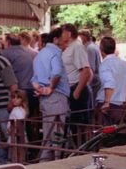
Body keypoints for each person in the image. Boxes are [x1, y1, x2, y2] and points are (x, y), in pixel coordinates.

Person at [32, 28, 70, 161]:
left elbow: (34, 79)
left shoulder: (40, 54)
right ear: (55, 40)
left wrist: (40, 89)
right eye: (64, 42)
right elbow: (57, 72)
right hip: (57, 97)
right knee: (57, 132)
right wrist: (51, 88)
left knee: (48, 132)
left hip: (45, 99)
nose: (66, 45)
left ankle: (45, 161)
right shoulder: (54, 53)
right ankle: (57, 161)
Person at [97, 37, 126, 125]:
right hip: (120, 105)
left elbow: (110, 83)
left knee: (103, 134)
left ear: (101, 49)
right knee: (116, 132)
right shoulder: (125, 64)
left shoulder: (104, 65)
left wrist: (107, 102)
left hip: (106, 105)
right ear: (114, 48)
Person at [60, 24, 93, 140]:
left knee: (78, 124)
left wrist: (77, 91)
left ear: (69, 34)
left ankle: (82, 149)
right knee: (73, 124)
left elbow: (86, 71)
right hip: (70, 88)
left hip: (76, 87)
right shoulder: (68, 47)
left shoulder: (77, 47)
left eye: (62, 32)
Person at [79, 30, 102, 98]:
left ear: (84, 37)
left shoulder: (89, 48)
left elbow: (91, 68)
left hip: (93, 79)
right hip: (96, 78)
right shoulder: (93, 46)